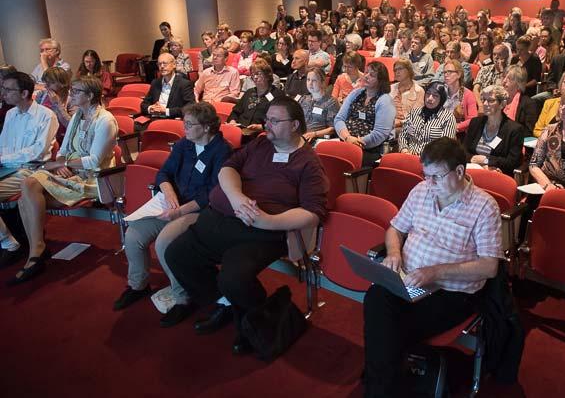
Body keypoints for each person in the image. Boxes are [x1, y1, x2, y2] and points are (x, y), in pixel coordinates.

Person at [164, 96, 328, 352]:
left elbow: (313, 213)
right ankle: (227, 303)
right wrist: (236, 196)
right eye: (267, 119)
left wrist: (268, 220)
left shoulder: (308, 163)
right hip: (219, 218)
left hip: (260, 233)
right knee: (176, 254)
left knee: (234, 278)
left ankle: (255, 318)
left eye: (274, 121)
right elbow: (228, 168)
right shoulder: (261, 144)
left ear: (295, 124)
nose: (267, 125)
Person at [363, 137, 502, 397]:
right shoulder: (421, 191)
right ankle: (389, 382)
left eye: (436, 177)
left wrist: (435, 272)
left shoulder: (484, 207)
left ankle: (379, 387)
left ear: (460, 171)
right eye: (426, 175)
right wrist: (393, 252)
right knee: (375, 298)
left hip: (451, 292)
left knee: (387, 327)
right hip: (408, 280)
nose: (430, 183)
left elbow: (489, 266)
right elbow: (395, 228)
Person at [114, 103, 233, 326]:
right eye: (184, 123)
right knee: (133, 236)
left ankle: (183, 299)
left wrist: (179, 210)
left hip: (200, 211)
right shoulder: (184, 145)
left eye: (189, 124)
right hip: (171, 205)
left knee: (164, 243)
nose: (184, 128)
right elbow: (164, 173)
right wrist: (169, 193)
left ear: (206, 127)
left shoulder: (222, 151)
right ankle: (138, 285)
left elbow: (213, 193)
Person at [10, 76, 117, 285]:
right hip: (71, 172)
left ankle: (36, 253)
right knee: (29, 185)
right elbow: (65, 149)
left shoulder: (105, 120)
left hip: (94, 179)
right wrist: (60, 164)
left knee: (26, 198)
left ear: (90, 96)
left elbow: (94, 161)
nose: (71, 95)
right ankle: (37, 250)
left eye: (76, 91)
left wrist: (64, 165)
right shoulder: (77, 116)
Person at [0, 72, 58, 268]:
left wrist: (3, 159)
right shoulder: (10, 114)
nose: (3, 93)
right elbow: (3, 145)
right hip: (8, 167)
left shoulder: (46, 115)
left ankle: (9, 243)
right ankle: (8, 240)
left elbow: (37, 152)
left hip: (31, 170)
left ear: (24, 93)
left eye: (8, 89)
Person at [334, 61, 397, 166]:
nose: (366, 76)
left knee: (346, 159)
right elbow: (339, 119)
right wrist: (347, 138)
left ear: (380, 81)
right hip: (345, 141)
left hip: (370, 149)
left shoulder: (385, 100)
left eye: (372, 75)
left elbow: (380, 134)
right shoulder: (356, 93)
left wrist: (356, 143)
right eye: (366, 72)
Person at [464, 84, 524, 175]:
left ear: (502, 104)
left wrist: (487, 160)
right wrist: (472, 159)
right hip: (473, 171)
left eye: (491, 100)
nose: (485, 104)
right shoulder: (475, 123)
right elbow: (464, 150)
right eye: (484, 100)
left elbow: (513, 161)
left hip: (498, 173)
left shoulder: (514, 129)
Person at [398, 81, 456, 155]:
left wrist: (426, 159)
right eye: (428, 94)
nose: (430, 98)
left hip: (432, 162)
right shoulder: (413, 113)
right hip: (409, 158)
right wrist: (404, 150)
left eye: (435, 95)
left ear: (442, 99)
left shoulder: (448, 118)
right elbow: (403, 136)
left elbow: (445, 147)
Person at [228, 59, 284, 133]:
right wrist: (233, 121)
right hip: (240, 130)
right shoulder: (249, 92)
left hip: (262, 133)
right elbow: (235, 112)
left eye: (258, 73)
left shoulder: (277, 95)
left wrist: (262, 127)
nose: (255, 77)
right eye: (252, 74)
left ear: (267, 75)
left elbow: (279, 120)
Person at [141, 53, 195, 118]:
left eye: (165, 63)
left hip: (172, 119)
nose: (162, 66)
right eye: (159, 64)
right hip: (155, 118)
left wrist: (166, 111)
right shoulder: (155, 83)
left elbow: (190, 107)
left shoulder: (184, 84)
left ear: (174, 65)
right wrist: (151, 108)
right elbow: (144, 104)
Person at [35, 67, 75, 144]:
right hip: (45, 137)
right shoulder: (42, 95)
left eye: (51, 82)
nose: (46, 86)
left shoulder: (72, 98)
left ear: (62, 83)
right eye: (45, 82)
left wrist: (57, 104)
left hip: (64, 139)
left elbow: (72, 125)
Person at [299, 67, 339, 143]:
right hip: (300, 136)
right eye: (308, 80)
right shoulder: (304, 99)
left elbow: (332, 129)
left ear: (322, 82)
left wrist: (314, 134)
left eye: (314, 80)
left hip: (318, 139)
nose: (310, 83)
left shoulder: (331, 102)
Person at [501, 65, 538, 138]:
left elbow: (529, 131)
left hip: (516, 142)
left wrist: (509, 133)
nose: (504, 81)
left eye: (509, 79)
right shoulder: (499, 100)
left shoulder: (529, 104)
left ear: (519, 84)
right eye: (504, 77)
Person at [442, 59, 478, 134]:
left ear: (459, 74)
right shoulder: (441, 92)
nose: (446, 74)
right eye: (444, 72)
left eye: (450, 72)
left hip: (458, 134)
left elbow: (473, 119)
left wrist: (456, 126)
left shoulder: (468, 94)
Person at [390, 58, 425, 130]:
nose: (397, 72)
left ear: (409, 70)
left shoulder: (419, 91)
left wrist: (400, 122)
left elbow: (416, 117)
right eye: (395, 70)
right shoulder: (390, 88)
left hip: (407, 126)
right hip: (389, 123)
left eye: (400, 69)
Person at [473, 43, 509, 108]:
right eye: (494, 54)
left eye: (499, 55)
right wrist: (480, 105)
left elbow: (503, 92)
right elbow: (475, 89)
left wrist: (501, 70)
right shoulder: (484, 69)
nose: (496, 57)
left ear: (506, 57)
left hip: (498, 107)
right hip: (481, 103)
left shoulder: (509, 72)